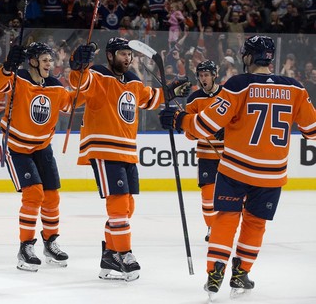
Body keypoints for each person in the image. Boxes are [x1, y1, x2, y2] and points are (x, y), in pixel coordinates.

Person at [159, 35, 316, 299]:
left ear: (248, 57)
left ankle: (216, 271)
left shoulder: (238, 85)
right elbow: (312, 130)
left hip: (235, 169)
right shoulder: (296, 88)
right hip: (272, 174)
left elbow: (204, 126)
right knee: (255, 223)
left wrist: (179, 119)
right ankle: (241, 273)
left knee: (226, 217)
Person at [68, 37, 190, 281]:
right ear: (110, 55)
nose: (128, 58)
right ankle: (125, 254)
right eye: (122, 53)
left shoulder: (133, 80)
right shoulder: (98, 74)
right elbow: (79, 82)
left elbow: (149, 98)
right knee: (118, 202)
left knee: (127, 206)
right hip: (103, 147)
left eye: (129, 54)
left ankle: (110, 255)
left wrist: (171, 90)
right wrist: (77, 63)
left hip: (127, 149)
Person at [0, 42, 81, 272]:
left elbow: (72, 103)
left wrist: (82, 71)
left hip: (42, 147)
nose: (51, 64)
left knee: (51, 197)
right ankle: (26, 247)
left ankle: (50, 243)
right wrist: (7, 67)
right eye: (45, 59)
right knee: (33, 194)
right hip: (17, 146)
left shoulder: (55, 86)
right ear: (33, 61)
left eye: (51, 59)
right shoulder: (17, 79)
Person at [185, 60, 224, 242]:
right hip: (206, 156)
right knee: (208, 195)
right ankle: (212, 227)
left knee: (235, 195)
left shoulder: (227, 94)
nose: (203, 78)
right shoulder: (194, 99)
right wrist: (195, 131)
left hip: (229, 154)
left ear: (214, 75)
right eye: (201, 76)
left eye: (206, 75)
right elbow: (188, 132)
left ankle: (231, 226)